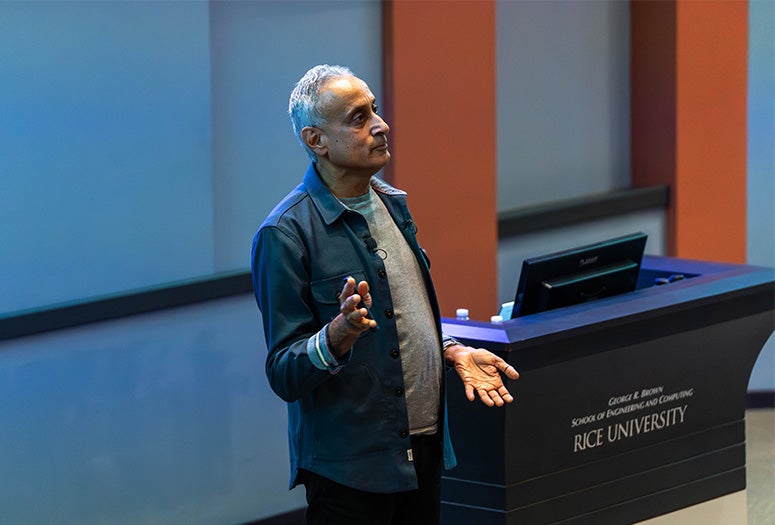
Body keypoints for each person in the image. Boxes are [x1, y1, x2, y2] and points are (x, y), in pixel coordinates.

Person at [251, 64, 519, 525]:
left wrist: (451, 351)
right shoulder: (285, 233)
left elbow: (400, 318)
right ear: (317, 141)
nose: (380, 124)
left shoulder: (392, 203)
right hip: (351, 471)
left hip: (423, 450)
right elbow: (283, 372)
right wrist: (334, 337)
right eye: (358, 118)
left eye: (374, 109)